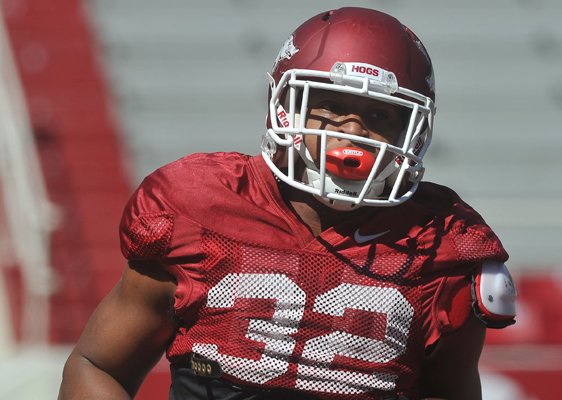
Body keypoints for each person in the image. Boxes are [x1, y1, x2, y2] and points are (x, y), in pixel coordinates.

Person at [58, 7, 517, 400]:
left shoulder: (440, 246)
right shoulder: (198, 208)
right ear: (286, 107)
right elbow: (98, 366)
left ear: (410, 131)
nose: (351, 133)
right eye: (332, 107)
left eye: (378, 115)